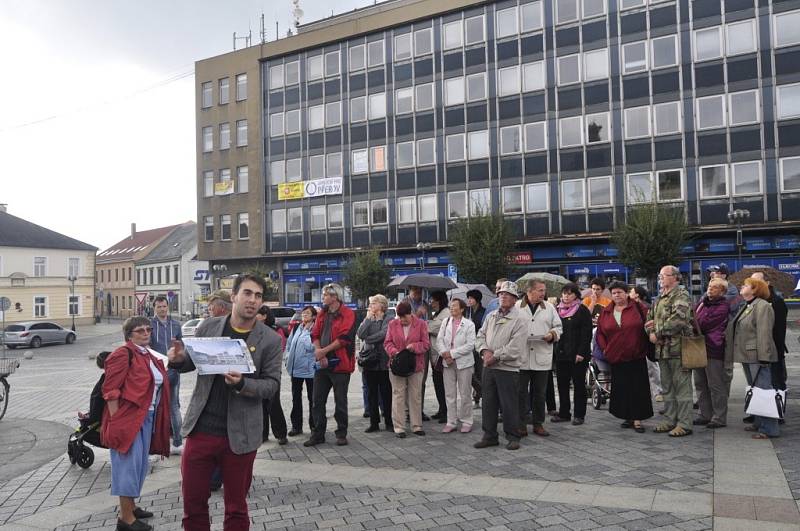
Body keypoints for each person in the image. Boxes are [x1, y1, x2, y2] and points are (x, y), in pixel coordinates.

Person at [168, 273, 283, 530]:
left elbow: (272, 386)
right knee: (193, 504)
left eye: (258, 296)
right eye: (247, 293)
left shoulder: (271, 340)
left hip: (240, 436)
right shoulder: (209, 326)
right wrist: (177, 360)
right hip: (202, 429)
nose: (252, 300)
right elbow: (193, 361)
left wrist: (243, 383)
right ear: (233, 297)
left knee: (236, 508)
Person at [103, 317, 171, 531]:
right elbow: (110, 390)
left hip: (146, 417)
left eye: (148, 329)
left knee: (139, 466)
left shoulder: (148, 354)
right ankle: (125, 519)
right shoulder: (123, 354)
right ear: (129, 334)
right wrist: (117, 421)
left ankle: (131, 507)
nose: (145, 333)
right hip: (129, 418)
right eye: (139, 330)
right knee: (127, 467)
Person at [474, 281, 528, 450]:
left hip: (507, 368)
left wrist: (495, 356)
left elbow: (515, 348)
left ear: (514, 299)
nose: (503, 296)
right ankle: (489, 435)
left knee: (509, 404)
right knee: (488, 403)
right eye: (501, 294)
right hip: (489, 368)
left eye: (508, 294)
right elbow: (480, 336)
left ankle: (513, 436)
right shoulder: (491, 316)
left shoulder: (520, 319)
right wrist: (484, 351)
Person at [726, 277, 780, 439]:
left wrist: (764, 357)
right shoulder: (747, 305)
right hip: (747, 355)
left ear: (755, 289)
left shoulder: (762, 306)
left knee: (763, 390)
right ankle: (759, 422)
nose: (742, 286)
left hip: (757, 356)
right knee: (754, 390)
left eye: (746, 285)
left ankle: (770, 428)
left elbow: (764, 334)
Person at [596, 282, 654, 433]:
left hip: (636, 354)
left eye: (620, 292)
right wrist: (606, 350)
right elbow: (600, 334)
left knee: (638, 388)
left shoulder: (639, 308)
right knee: (622, 388)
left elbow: (648, 325)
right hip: (616, 356)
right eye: (614, 293)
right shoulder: (606, 311)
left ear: (627, 293)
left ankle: (638, 419)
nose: (617, 295)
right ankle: (627, 416)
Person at [304, 283, 356, 447]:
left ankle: (341, 433)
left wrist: (324, 352)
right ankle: (318, 433)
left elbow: (344, 338)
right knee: (317, 400)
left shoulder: (348, 314)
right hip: (322, 364)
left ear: (335, 297)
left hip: (341, 364)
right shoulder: (322, 314)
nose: (323, 297)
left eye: (326, 294)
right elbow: (315, 334)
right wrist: (319, 353)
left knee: (340, 401)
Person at [647, 265, 694, 437]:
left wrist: (656, 332)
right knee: (667, 387)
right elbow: (648, 318)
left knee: (682, 388)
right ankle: (670, 420)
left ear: (675, 277)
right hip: (662, 350)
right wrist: (650, 332)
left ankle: (684, 423)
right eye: (659, 276)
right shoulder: (659, 297)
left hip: (678, 349)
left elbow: (679, 320)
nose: (660, 278)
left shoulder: (681, 295)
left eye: (663, 275)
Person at [517, 279, 562, 437]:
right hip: (521, 357)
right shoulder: (516, 307)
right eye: (540, 290)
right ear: (529, 291)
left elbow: (558, 327)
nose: (544, 293)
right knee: (521, 392)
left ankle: (538, 423)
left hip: (542, 354)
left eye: (544, 290)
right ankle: (521, 424)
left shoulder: (549, 307)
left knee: (540, 393)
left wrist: (552, 334)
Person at [384, 301, 431, 437]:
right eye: (400, 317)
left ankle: (417, 425)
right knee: (398, 395)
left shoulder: (421, 324)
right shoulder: (393, 324)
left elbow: (426, 344)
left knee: (415, 395)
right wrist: (394, 352)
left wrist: (414, 346)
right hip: (397, 365)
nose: (402, 320)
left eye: (404, 317)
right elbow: (387, 342)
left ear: (410, 314)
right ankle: (399, 427)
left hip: (415, 365)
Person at [693, 278, 732, 428]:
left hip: (713, 349)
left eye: (715, 287)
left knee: (715, 385)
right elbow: (693, 318)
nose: (710, 289)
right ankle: (705, 414)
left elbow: (703, 324)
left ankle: (719, 417)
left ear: (722, 291)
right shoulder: (702, 302)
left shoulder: (723, 306)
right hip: (698, 348)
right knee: (700, 383)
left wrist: (693, 322)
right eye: (709, 286)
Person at [551, 283, 592, 426]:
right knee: (562, 385)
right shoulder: (556, 310)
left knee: (579, 385)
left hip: (578, 355)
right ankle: (564, 413)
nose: (566, 296)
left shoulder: (582, 310)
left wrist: (581, 352)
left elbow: (586, 334)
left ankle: (579, 415)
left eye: (569, 293)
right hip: (562, 354)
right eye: (564, 293)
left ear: (576, 295)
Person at [148, 295, 183, 456]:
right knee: (153, 406)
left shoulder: (176, 325)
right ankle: (154, 442)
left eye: (164, 306)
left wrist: (178, 357)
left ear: (168, 307)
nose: (162, 309)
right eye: (159, 307)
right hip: (155, 372)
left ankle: (177, 442)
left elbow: (181, 347)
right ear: (154, 308)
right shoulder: (149, 325)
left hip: (173, 371)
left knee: (174, 406)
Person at [436, 298, 476, 433]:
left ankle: (467, 420)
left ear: (462, 309)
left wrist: (451, 354)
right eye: (450, 306)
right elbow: (439, 340)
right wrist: (444, 354)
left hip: (464, 363)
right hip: (447, 363)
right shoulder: (446, 322)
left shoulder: (469, 324)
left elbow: (470, 345)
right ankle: (451, 421)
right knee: (449, 394)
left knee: (465, 393)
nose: (451, 308)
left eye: (454, 306)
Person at [357, 294, 393, 433]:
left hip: (384, 361)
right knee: (371, 393)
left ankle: (389, 421)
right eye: (370, 303)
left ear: (382, 305)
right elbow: (360, 334)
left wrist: (368, 339)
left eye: (373, 303)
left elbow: (383, 334)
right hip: (369, 361)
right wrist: (367, 319)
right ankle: (374, 422)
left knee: (386, 393)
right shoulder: (369, 318)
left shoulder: (388, 318)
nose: (370, 306)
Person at [750, 271, 788, 394]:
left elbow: (778, 331)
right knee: (759, 384)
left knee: (776, 384)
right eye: (752, 282)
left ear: (767, 283)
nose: (754, 285)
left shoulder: (776, 301)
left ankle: (777, 410)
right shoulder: (754, 299)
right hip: (759, 350)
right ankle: (758, 411)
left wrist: (775, 353)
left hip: (773, 351)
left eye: (757, 282)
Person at [255, 305, 288, 445]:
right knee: (261, 404)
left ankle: (281, 434)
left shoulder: (276, 330)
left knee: (273, 403)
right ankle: (262, 434)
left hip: (272, 372)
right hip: (258, 372)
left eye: (258, 313)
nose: (255, 316)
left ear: (264, 316)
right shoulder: (254, 330)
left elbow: (278, 349)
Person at [285, 305, 317, 437]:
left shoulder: (315, 328)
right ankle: (296, 426)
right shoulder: (297, 327)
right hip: (296, 369)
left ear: (314, 316)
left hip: (310, 369)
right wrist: (287, 357)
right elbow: (289, 344)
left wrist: (307, 337)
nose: (304, 315)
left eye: (307, 313)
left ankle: (314, 426)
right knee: (295, 398)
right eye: (303, 313)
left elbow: (313, 347)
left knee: (312, 399)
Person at [630, 286, 663, 402]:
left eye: (631, 292)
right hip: (640, 341)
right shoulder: (631, 307)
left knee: (652, 367)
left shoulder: (645, 306)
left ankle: (658, 391)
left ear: (637, 295)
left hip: (646, 340)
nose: (629, 293)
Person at [426, 291, 450, 423]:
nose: (431, 303)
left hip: (441, 354)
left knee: (442, 384)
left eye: (433, 301)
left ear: (439, 301)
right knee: (437, 383)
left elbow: (434, 328)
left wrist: (426, 323)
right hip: (435, 354)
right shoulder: (438, 314)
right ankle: (442, 409)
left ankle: (446, 411)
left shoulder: (446, 313)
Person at [465, 289, 486, 406]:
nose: (469, 300)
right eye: (468, 298)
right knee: (470, 374)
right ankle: (481, 393)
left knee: (479, 372)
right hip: (468, 346)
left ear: (477, 300)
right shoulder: (467, 312)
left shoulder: (483, 312)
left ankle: (478, 397)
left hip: (478, 345)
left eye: (471, 298)